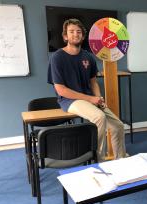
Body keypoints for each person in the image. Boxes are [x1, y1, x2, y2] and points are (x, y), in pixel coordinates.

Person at [47, 18, 126, 161]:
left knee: (118, 125)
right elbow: (61, 90)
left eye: (78, 32)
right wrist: (90, 99)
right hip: (70, 100)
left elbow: (93, 82)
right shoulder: (57, 57)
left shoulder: (88, 56)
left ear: (83, 36)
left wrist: (100, 99)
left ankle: (120, 159)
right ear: (65, 36)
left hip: (90, 98)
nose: (75, 34)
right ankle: (98, 159)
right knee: (99, 117)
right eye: (71, 32)